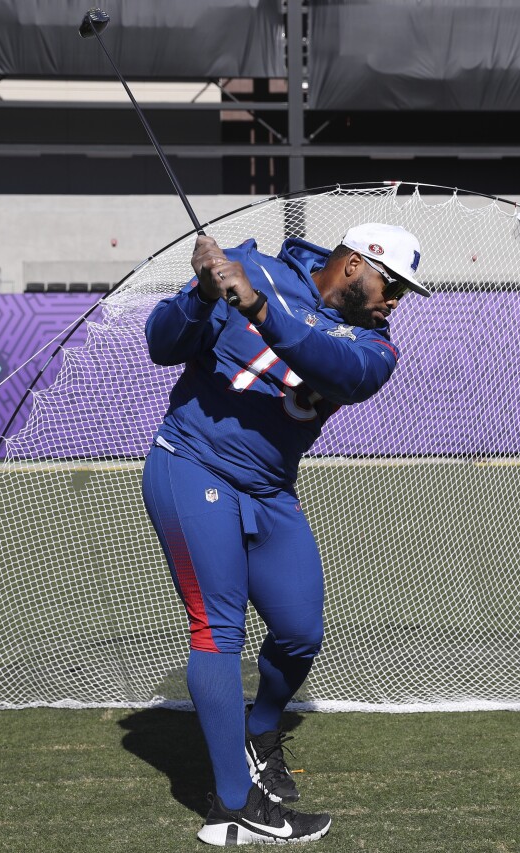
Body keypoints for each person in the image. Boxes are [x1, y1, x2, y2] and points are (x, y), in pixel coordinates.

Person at [141, 223, 430, 845]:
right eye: (393, 284)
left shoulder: (375, 346)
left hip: (270, 490)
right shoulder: (251, 267)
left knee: (300, 633)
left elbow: (337, 368)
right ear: (354, 265)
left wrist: (260, 310)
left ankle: (260, 732)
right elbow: (161, 345)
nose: (396, 301)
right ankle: (235, 808)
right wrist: (200, 293)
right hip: (194, 465)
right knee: (217, 628)